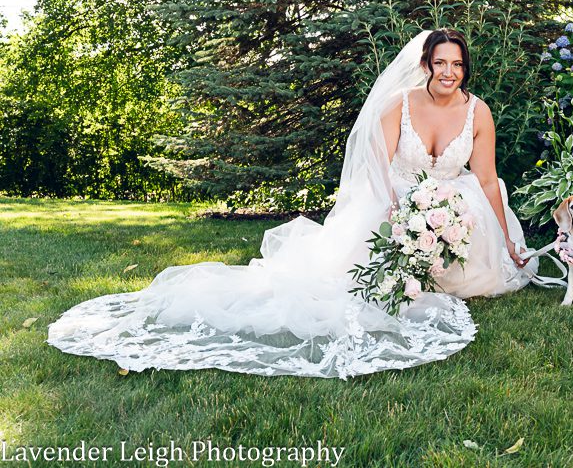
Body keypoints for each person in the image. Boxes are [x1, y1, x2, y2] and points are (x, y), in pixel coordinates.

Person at [46, 29, 541, 379]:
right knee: (349, 284)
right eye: (441, 62)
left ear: (464, 68)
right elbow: (377, 167)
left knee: (481, 270)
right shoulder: (400, 105)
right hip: (396, 201)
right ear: (427, 65)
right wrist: (401, 214)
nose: (449, 72)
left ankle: (462, 259)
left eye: (457, 64)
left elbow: (489, 179)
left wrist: (507, 243)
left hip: (456, 205)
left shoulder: (478, 111)